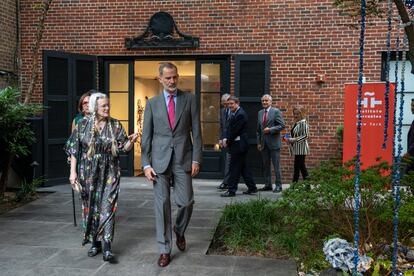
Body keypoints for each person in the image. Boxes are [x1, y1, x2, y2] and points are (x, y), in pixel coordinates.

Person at [64, 92, 138, 263]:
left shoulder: (115, 125)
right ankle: (94, 243)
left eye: (108, 105)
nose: (107, 108)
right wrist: (72, 173)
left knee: (108, 207)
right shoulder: (82, 125)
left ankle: (107, 247)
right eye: (103, 105)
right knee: (90, 208)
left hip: (110, 172)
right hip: (88, 172)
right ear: (94, 107)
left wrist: (131, 141)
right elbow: (74, 150)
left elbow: (123, 147)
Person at [141, 62, 202, 267]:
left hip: (183, 158)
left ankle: (179, 229)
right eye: (167, 78)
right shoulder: (152, 104)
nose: (172, 81)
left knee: (186, 202)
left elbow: (197, 132)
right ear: (160, 79)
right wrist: (146, 164)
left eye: (174, 77)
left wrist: (196, 159)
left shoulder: (189, 99)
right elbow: (146, 138)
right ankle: (164, 249)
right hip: (158, 162)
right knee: (162, 205)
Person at [221, 96, 257, 197]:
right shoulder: (235, 113)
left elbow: (235, 131)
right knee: (243, 168)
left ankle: (231, 191)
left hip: (239, 146)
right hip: (238, 145)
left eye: (232, 104)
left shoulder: (240, 114)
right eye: (228, 104)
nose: (230, 106)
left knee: (234, 168)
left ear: (237, 103)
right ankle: (252, 188)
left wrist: (227, 141)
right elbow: (230, 129)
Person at [256, 94, 285, 193]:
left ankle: (278, 185)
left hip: (274, 144)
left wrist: (270, 129)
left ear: (270, 102)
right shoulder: (260, 113)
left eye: (266, 101)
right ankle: (268, 185)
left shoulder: (276, 112)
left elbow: (282, 125)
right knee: (266, 165)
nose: (264, 102)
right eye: (263, 101)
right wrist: (259, 142)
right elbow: (258, 130)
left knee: (276, 165)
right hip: (263, 144)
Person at [286, 105, 310, 183]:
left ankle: (294, 186)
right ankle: (307, 186)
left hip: (301, 149)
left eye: (297, 114)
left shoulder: (303, 123)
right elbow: (295, 134)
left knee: (297, 167)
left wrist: (293, 139)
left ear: (302, 114)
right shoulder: (297, 123)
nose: (295, 115)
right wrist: (288, 138)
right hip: (297, 148)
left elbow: (306, 136)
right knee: (302, 167)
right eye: (294, 113)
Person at [217, 93, 231, 190]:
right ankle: (227, 182)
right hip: (225, 140)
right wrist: (221, 138)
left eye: (227, 104)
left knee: (229, 161)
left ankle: (226, 182)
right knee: (228, 161)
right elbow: (222, 126)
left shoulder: (234, 110)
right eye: (224, 104)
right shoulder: (222, 111)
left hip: (233, 140)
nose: (225, 106)